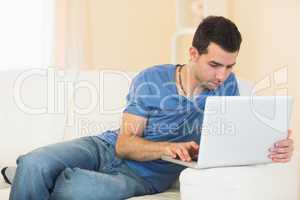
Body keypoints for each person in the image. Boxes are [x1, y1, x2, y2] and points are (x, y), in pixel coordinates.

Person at [2, 16, 294, 200]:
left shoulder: (228, 89)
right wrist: (166, 147)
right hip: (104, 146)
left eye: (230, 67)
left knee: (74, 191)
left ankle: (25, 179)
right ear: (193, 54)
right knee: (33, 163)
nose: (222, 75)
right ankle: (26, 174)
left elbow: (235, 144)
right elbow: (124, 144)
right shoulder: (151, 78)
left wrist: (272, 144)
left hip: (141, 177)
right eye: (215, 65)